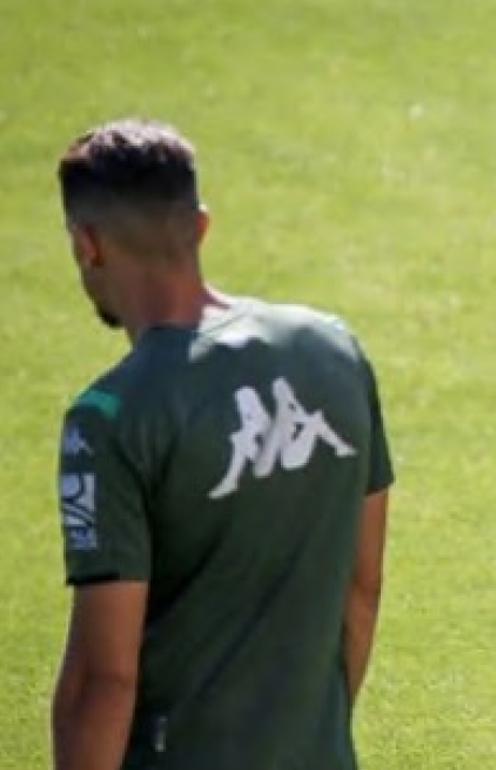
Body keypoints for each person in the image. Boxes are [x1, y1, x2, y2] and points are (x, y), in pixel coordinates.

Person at [51, 119, 393, 770]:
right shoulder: (333, 349)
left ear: (87, 245)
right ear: (200, 226)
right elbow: (363, 585)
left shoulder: (111, 416)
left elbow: (105, 679)